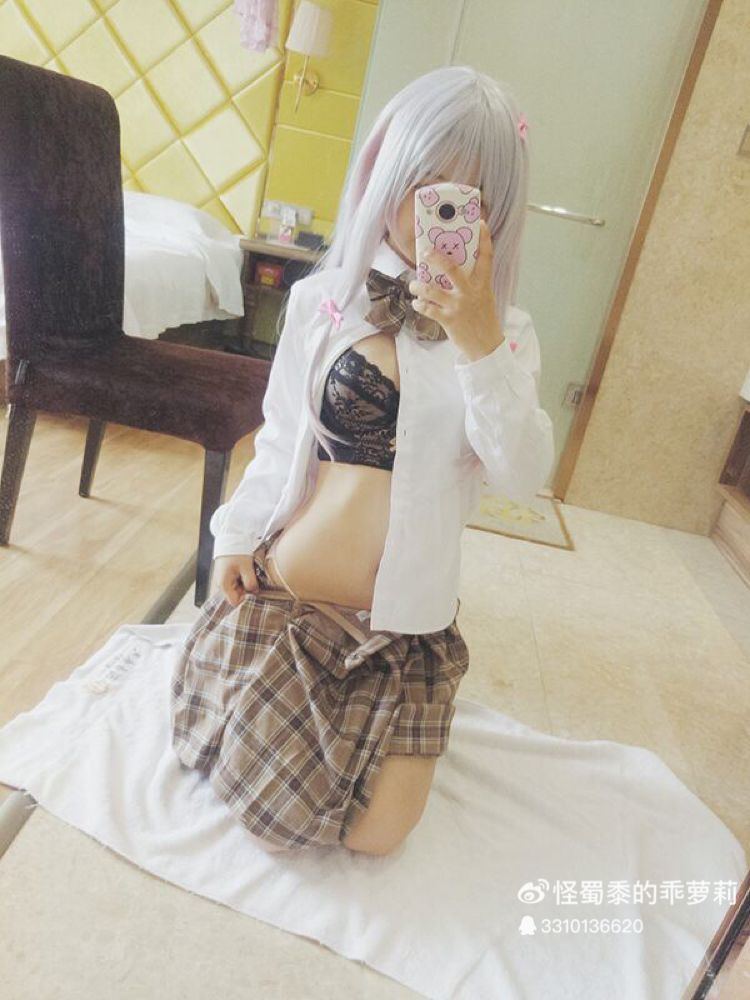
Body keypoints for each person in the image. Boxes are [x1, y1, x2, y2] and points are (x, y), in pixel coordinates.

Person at [169, 65, 555, 857]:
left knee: (379, 835)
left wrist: (479, 342)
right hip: (292, 594)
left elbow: (522, 474)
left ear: (497, 214)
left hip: (403, 631)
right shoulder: (324, 303)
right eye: (425, 182)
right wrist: (235, 535)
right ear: (388, 169)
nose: (434, 212)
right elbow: (283, 436)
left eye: (469, 197)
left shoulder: (508, 336)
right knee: (265, 804)